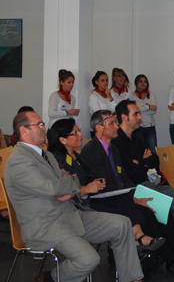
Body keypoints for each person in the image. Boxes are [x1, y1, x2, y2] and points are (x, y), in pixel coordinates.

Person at [5, 111, 144, 282]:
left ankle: (131, 278)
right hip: (45, 225)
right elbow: (52, 188)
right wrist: (66, 186)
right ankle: (51, 278)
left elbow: (69, 179)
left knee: (122, 224)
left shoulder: (46, 155)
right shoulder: (19, 160)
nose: (44, 128)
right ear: (24, 130)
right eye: (39, 125)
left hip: (69, 214)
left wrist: (67, 186)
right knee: (89, 259)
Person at [79, 110, 174, 275]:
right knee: (148, 208)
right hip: (105, 200)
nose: (116, 126)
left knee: (159, 205)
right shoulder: (91, 151)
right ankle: (171, 260)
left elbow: (124, 179)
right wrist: (133, 196)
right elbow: (103, 185)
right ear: (99, 128)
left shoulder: (113, 150)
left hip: (121, 195)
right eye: (112, 123)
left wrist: (135, 192)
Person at [47, 118, 165, 253]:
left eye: (79, 130)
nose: (81, 134)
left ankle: (139, 238)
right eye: (75, 132)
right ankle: (138, 238)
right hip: (77, 206)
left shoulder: (76, 156)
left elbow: (90, 177)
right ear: (63, 140)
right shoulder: (58, 160)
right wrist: (87, 188)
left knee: (131, 200)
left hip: (92, 197)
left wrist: (95, 183)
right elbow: (64, 190)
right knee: (124, 202)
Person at [113, 99, 174, 220]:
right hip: (135, 188)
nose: (140, 117)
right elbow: (131, 172)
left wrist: (140, 161)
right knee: (172, 204)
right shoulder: (116, 141)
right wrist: (144, 161)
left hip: (149, 182)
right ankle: (160, 231)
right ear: (124, 117)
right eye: (136, 114)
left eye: (140, 113)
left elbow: (155, 160)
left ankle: (164, 230)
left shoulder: (137, 137)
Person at [130, 74, 158, 152]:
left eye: (145, 82)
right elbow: (134, 111)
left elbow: (154, 110)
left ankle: (153, 165)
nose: (143, 83)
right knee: (139, 151)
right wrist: (148, 106)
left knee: (153, 150)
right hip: (137, 127)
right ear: (136, 83)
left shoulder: (151, 95)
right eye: (140, 81)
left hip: (150, 127)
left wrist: (141, 108)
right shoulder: (131, 96)